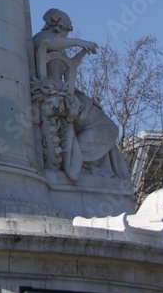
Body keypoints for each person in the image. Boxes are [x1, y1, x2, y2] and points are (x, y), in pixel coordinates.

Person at [32, 9, 131, 183]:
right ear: (58, 27)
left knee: (108, 126)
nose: (67, 35)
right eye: (67, 31)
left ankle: (96, 166)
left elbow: (69, 67)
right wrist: (78, 42)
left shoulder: (58, 46)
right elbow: (46, 44)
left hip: (67, 93)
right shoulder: (41, 39)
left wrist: (81, 52)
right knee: (108, 127)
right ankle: (80, 160)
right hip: (56, 94)